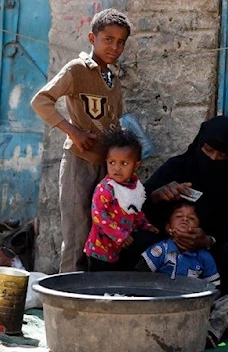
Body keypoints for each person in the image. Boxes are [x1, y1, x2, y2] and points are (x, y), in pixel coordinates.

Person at [142, 115, 228, 337]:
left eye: (222, 155)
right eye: (208, 151)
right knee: (136, 241)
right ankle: (140, 313)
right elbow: (138, 209)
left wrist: (207, 240)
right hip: (168, 252)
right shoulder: (176, 168)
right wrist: (157, 197)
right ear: (199, 144)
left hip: (214, 257)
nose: (213, 159)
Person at [31, 9, 132, 272]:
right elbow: (41, 101)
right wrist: (72, 131)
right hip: (80, 161)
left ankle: (93, 295)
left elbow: (115, 118)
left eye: (120, 42)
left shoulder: (113, 78)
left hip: (107, 167)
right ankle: (69, 299)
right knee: (77, 233)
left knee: (103, 233)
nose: (114, 46)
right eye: (108, 39)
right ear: (92, 38)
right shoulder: (77, 70)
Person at [137, 201, 228, 348]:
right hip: (162, 307)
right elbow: (140, 276)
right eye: (179, 216)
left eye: (191, 218)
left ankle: (208, 335)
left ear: (199, 230)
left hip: (194, 309)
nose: (185, 219)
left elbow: (214, 290)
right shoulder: (161, 250)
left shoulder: (204, 257)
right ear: (168, 227)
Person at [83, 128, 159, 272]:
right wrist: (119, 235)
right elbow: (99, 215)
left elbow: (136, 211)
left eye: (124, 164)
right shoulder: (106, 188)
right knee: (101, 285)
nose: (117, 168)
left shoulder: (135, 187)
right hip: (101, 249)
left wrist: (146, 226)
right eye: (112, 163)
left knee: (117, 283)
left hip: (120, 247)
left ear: (136, 165)